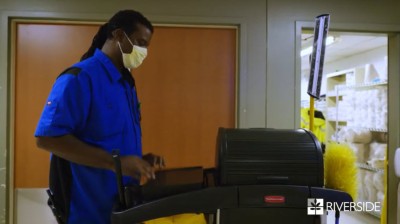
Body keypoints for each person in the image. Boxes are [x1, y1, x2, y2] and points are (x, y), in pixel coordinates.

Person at [35, 9, 163, 224]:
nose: (143, 52)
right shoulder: (79, 78)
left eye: (146, 46)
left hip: (124, 210)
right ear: (119, 35)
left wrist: (139, 161)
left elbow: (108, 139)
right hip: (88, 212)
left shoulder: (126, 85)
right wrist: (117, 163)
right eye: (140, 43)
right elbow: (47, 139)